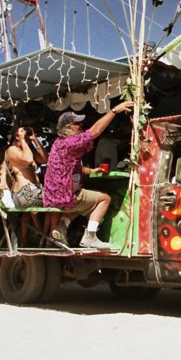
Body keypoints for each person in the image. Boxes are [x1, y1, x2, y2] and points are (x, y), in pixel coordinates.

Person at [43, 101, 134, 249]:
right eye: (77, 124)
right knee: (105, 198)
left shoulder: (59, 144)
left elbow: (74, 166)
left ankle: (62, 227)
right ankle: (90, 236)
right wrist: (114, 111)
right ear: (69, 128)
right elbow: (96, 130)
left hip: (53, 195)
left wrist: (92, 171)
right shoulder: (70, 142)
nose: (81, 126)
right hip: (64, 195)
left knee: (83, 204)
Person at [5, 126, 54, 241]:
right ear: (16, 136)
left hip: (30, 192)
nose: (25, 133)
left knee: (29, 212)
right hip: (25, 193)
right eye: (22, 131)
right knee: (57, 199)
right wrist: (22, 139)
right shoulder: (13, 150)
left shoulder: (29, 150)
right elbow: (28, 160)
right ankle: (46, 235)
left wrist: (35, 140)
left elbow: (45, 160)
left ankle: (26, 239)